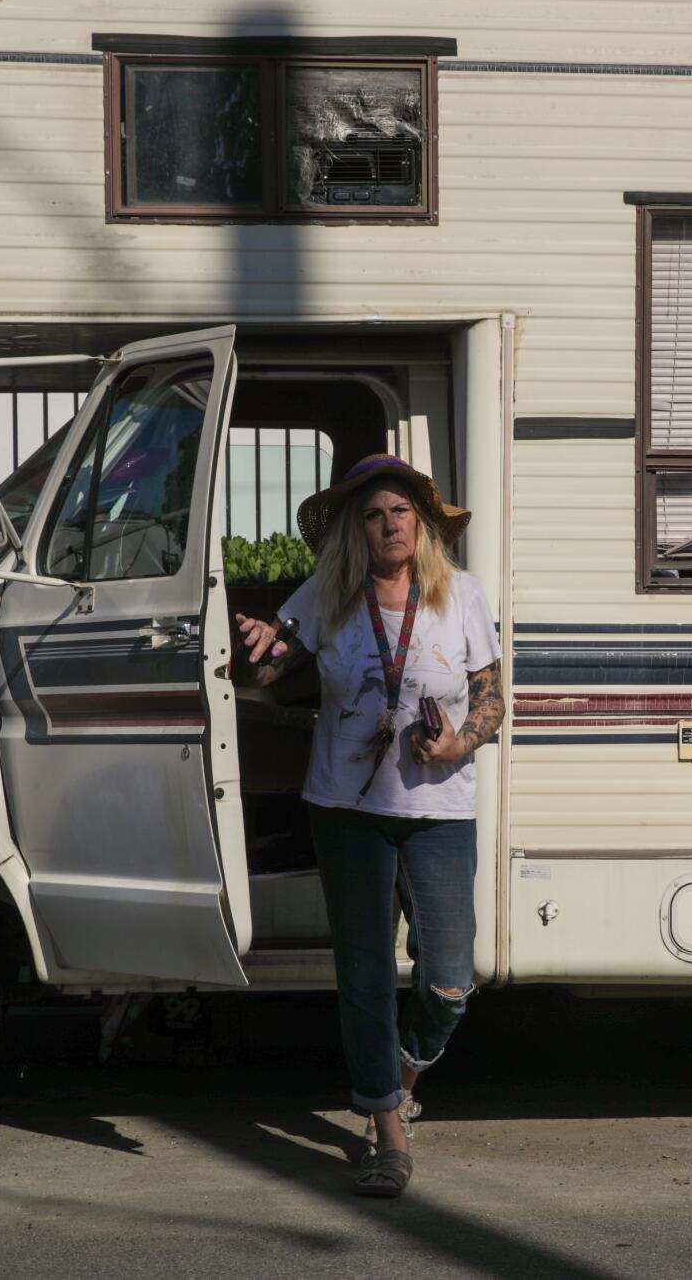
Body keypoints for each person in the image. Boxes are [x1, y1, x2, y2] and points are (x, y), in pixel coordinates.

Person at [235, 454, 503, 1199]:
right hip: (347, 809)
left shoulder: (464, 597)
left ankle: (401, 1077)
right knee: (367, 976)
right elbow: (270, 666)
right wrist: (259, 644)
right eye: (374, 514)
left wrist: (459, 741)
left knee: (451, 979)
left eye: (400, 512)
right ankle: (386, 1130)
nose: (389, 525)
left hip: (439, 807)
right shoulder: (328, 595)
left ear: (422, 525)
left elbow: (491, 696)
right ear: (358, 529)